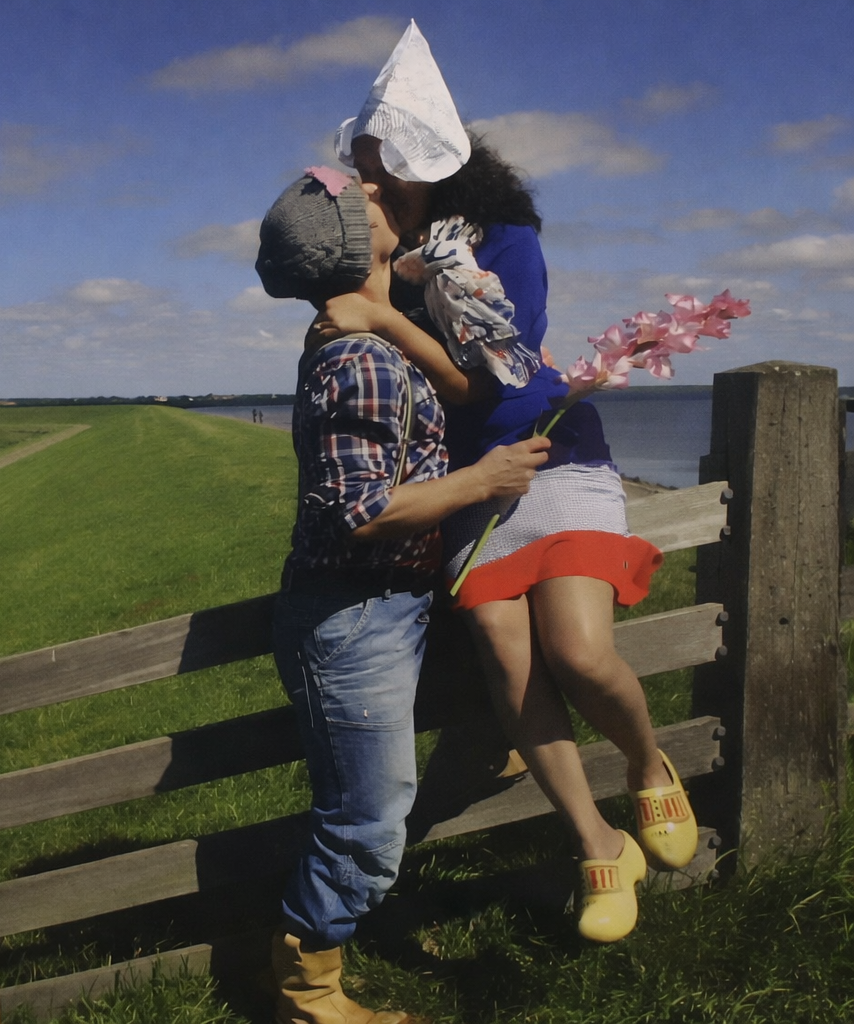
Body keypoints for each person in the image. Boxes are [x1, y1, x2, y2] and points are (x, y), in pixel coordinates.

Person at [318, 20, 698, 945]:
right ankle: (596, 842)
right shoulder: (373, 267)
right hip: (468, 485)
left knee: (577, 651)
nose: (367, 186)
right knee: (506, 652)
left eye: (380, 169)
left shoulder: (502, 240)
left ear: (429, 166)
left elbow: (503, 374)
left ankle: (650, 770)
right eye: (359, 170)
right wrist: (372, 306)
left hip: (546, 455)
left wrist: (390, 316)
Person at [256, 165, 549, 1024]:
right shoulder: (355, 359)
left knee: (372, 809)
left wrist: (390, 313)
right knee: (366, 826)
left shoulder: (370, 339)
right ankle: (305, 996)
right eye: (371, 200)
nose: (390, 195)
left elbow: (461, 388)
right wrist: (483, 478)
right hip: (354, 618)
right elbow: (360, 513)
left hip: (390, 607)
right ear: (356, 242)